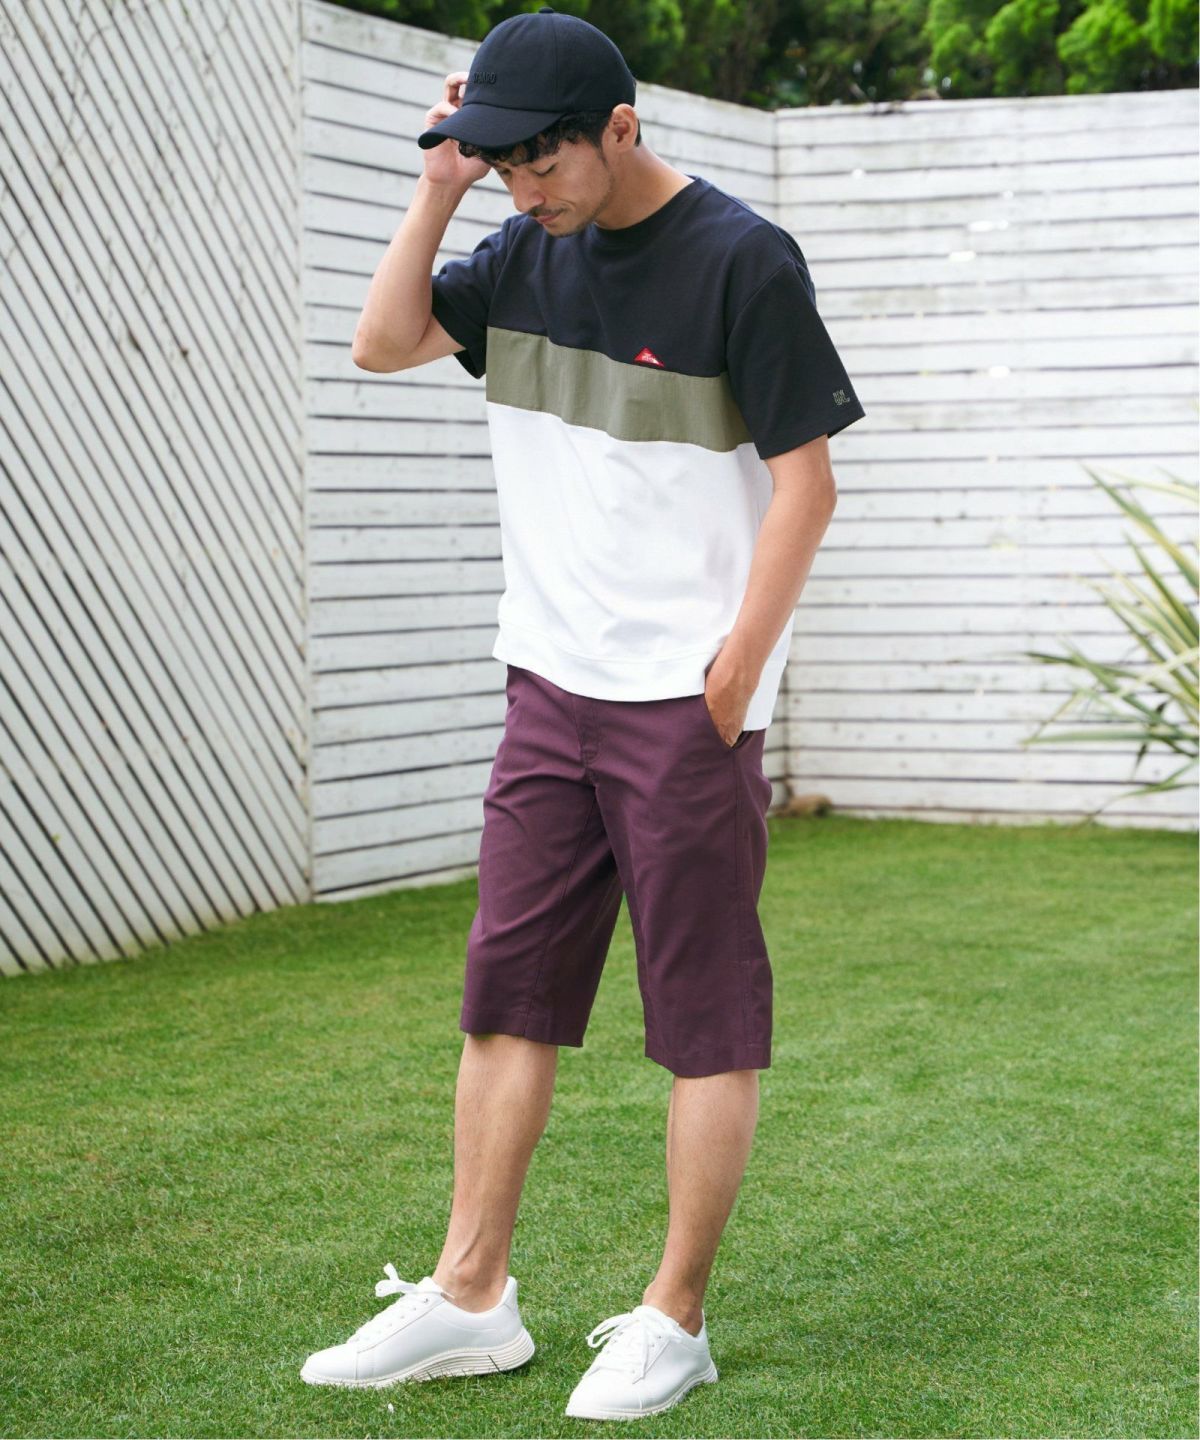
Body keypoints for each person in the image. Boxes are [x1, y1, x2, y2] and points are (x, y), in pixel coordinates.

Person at [301, 4, 866, 1421]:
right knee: (509, 1000)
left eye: (541, 162)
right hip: (547, 687)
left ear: (622, 127)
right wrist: (443, 184)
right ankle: (471, 1297)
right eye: (504, 166)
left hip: (684, 708)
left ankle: (675, 1319)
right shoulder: (516, 251)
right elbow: (380, 341)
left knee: (704, 1019)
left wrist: (733, 677)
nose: (525, 189)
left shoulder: (743, 258)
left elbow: (807, 484)